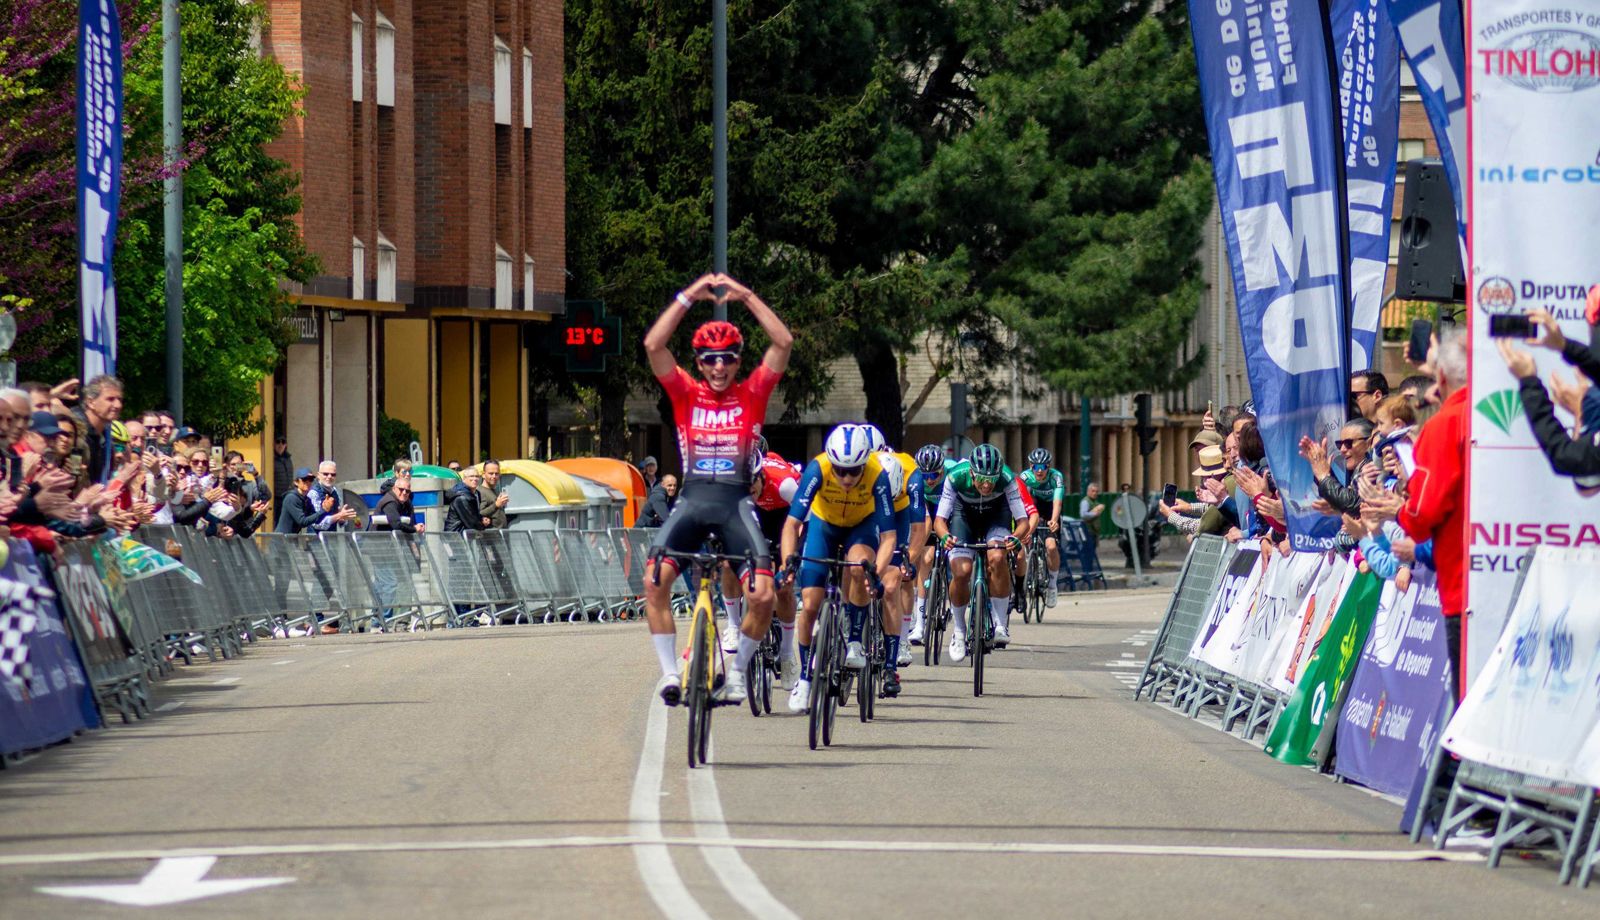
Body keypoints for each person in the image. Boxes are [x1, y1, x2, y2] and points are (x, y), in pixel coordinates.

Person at [642, 271, 792, 707]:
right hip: (691, 500)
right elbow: (654, 345)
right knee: (654, 584)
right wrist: (688, 295)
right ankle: (671, 673)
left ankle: (739, 672)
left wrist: (747, 295)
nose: (719, 366)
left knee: (763, 595)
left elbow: (782, 343)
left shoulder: (753, 394)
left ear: (738, 361)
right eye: (710, 359)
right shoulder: (686, 393)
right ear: (699, 362)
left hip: (734, 502)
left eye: (727, 357)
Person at [781, 424, 901, 710]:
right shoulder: (818, 469)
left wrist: (877, 570)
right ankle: (805, 679)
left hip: (860, 526)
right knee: (810, 606)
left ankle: (856, 640)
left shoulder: (877, 475)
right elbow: (792, 524)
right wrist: (788, 563)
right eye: (840, 470)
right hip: (824, 526)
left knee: (860, 567)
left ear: (864, 464)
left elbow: (889, 537)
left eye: (853, 471)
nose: (846, 478)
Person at [1395, 326, 1469, 699]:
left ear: (1441, 377)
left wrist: (1400, 511)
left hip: (1464, 583)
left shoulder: (1443, 426)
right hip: (1512, 573)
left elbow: (1424, 513)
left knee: (1466, 704)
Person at [931, 444, 1038, 660]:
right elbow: (940, 521)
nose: (987, 484)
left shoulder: (1007, 479)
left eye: (992, 478)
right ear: (971, 472)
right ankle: (959, 631)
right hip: (964, 517)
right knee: (961, 571)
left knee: (997, 557)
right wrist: (944, 536)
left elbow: (1023, 521)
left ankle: (1000, 624)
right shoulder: (955, 478)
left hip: (996, 517)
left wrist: (1015, 538)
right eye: (981, 478)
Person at [907, 443, 953, 646]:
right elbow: (924, 522)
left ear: (942, 469)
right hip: (927, 514)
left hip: (949, 514)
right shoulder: (916, 479)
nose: (930, 480)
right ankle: (920, 622)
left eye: (934, 475)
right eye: (925, 476)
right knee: (924, 558)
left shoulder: (953, 471)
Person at [1019, 447, 1065, 607]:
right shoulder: (1025, 477)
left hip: (1051, 509)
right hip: (1032, 507)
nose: (1040, 471)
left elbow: (1057, 502)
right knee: (1023, 538)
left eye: (1043, 467)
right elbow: (1019, 501)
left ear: (1048, 467)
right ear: (1031, 467)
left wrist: (1054, 520)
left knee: (1051, 547)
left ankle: (1052, 585)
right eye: (1036, 467)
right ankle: (1029, 562)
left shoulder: (1056, 477)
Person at [307, 461, 359, 532]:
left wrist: (342, 519)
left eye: (333, 474)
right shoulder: (313, 493)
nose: (329, 477)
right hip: (315, 540)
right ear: (318, 475)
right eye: (325, 474)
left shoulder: (335, 491)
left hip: (331, 539)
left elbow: (339, 519)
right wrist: (339, 515)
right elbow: (318, 524)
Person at [275, 467, 317, 533]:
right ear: (296, 482)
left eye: (311, 479)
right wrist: (323, 510)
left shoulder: (307, 499)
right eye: (304, 479)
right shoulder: (291, 498)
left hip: (292, 540)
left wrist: (326, 509)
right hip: (281, 541)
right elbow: (302, 521)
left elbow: (314, 516)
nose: (308, 482)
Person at [445, 467, 487, 532]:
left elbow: (473, 514)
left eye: (477, 476)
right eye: (471, 476)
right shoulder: (461, 498)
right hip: (455, 537)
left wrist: (481, 518)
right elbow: (471, 522)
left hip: (466, 535)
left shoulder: (476, 494)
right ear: (464, 479)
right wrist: (482, 526)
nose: (474, 479)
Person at [479, 460, 511, 529]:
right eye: (491, 473)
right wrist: (496, 504)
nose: (494, 476)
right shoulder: (480, 492)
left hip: (500, 534)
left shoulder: (494, 490)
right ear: (483, 475)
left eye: (496, 474)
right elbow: (480, 513)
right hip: (490, 536)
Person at [272, 434, 294, 517]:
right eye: (278, 442)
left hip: (287, 496)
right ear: (274, 444)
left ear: (286, 445)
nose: (280, 445)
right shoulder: (271, 459)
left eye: (283, 442)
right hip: (276, 498)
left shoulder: (288, 459)